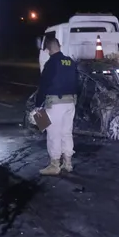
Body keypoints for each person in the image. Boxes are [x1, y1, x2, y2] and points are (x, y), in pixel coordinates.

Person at [35, 37, 78, 176]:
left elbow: (43, 85)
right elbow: (78, 83)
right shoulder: (70, 62)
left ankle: (54, 165)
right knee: (66, 133)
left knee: (54, 134)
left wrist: (37, 105)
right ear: (60, 46)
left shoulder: (51, 63)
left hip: (55, 104)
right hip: (70, 102)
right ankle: (68, 163)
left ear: (48, 49)